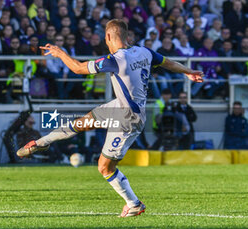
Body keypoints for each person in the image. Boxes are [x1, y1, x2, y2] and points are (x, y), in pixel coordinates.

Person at [17, 19, 203, 217]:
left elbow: (78, 69)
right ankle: (40, 143)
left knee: (104, 167)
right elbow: (168, 63)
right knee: (81, 123)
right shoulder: (144, 52)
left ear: (108, 37)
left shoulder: (115, 59)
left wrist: (60, 53)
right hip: (119, 106)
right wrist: (188, 72)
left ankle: (134, 204)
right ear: (127, 35)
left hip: (128, 118)